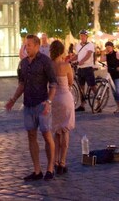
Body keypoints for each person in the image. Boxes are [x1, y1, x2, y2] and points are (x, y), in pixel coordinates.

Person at [5, 34, 58, 181]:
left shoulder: (45, 61)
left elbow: (53, 83)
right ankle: (37, 170)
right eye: (25, 45)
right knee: (31, 136)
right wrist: (13, 99)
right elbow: (22, 84)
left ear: (37, 46)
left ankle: (50, 168)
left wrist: (49, 101)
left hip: (42, 104)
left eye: (29, 45)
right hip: (28, 104)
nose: (26, 48)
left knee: (47, 135)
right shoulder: (23, 63)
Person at [49, 40, 74, 175]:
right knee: (65, 130)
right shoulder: (66, 65)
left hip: (54, 99)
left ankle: (55, 161)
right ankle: (62, 163)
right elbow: (71, 81)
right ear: (62, 51)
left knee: (57, 131)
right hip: (65, 97)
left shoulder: (49, 66)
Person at [103, 41, 119, 114]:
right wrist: (102, 52)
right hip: (111, 75)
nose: (108, 49)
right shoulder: (107, 55)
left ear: (112, 47)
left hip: (118, 75)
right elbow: (101, 60)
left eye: (109, 47)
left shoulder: (116, 54)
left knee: (118, 91)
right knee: (114, 92)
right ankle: (118, 107)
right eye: (107, 47)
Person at [74, 30, 95, 112]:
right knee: (81, 87)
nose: (82, 37)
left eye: (84, 36)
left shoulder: (90, 45)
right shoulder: (78, 45)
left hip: (88, 68)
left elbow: (89, 54)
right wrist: (69, 60)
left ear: (86, 37)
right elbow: (77, 55)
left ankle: (98, 102)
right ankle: (82, 105)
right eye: (81, 35)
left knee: (92, 86)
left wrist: (82, 61)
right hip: (80, 69)